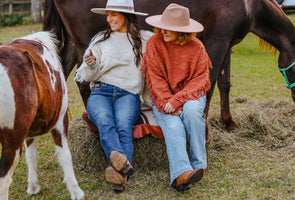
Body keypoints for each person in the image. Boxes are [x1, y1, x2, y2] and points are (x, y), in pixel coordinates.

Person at [74, 0, 153, 193]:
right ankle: (123, 168)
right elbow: (87, 76)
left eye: (114, 14)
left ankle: (118, 172)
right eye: (108, 14)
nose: (109, 19)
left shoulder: (144, 39)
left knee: (123, 125)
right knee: (104, 120)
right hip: (101, 91)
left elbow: (165, 46)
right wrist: (92, 65)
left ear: (126, 16)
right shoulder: (100, 39)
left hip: (128, 94)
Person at [142, 3, 212, 192]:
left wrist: (178, 100)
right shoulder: (154, 44)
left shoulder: (197, 47)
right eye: (162, 26)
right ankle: (181, 174)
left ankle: (199, 165)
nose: (163, 31)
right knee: (172, 125)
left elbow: (201, 78)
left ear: (181, 31)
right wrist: (168, 101)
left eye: (169, 28)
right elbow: (155, 79)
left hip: (191, 95)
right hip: (163, 97)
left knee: (192, 112)